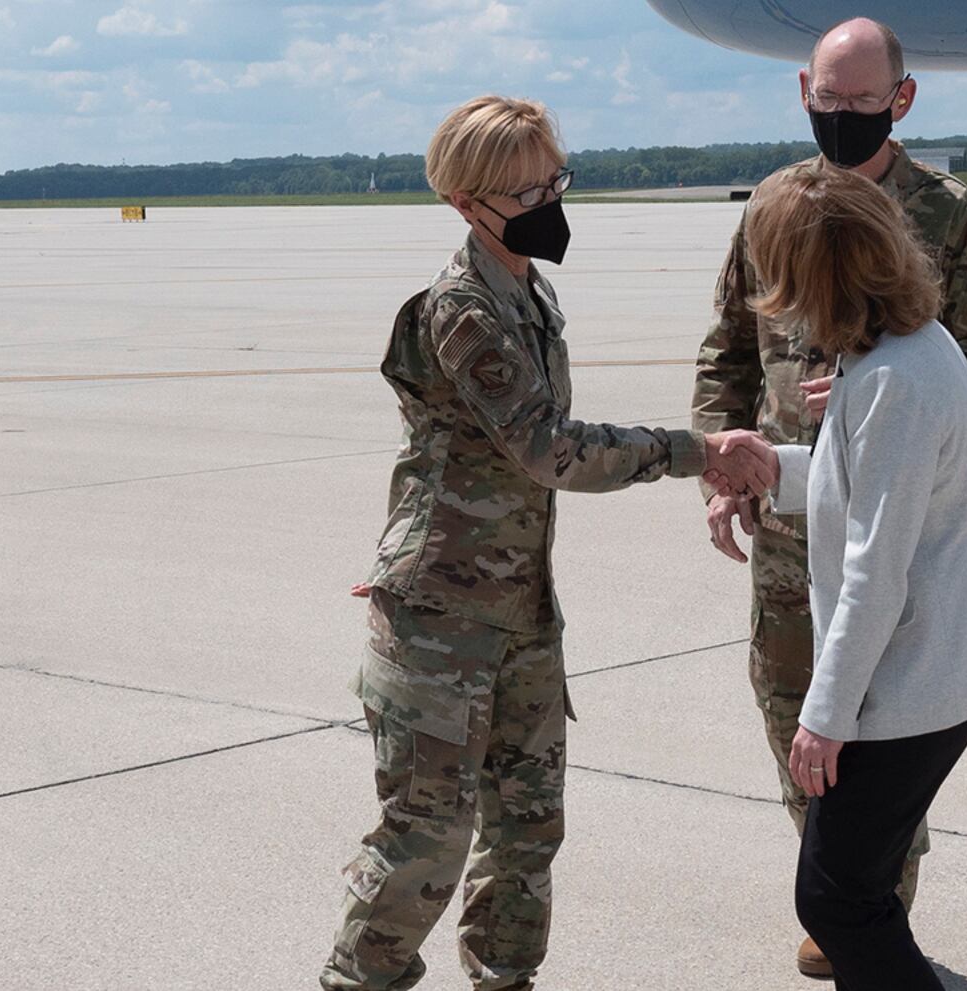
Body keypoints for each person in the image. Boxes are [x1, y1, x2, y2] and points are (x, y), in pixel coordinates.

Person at [322, 95, 775, 991]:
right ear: (465, 202)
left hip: (521, 606)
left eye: (551, 180)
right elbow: (549, 449)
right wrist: (698, 452)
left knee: (527, 826)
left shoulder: (528, 289)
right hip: (442, 613)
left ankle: (506, 977)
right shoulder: (461, 310)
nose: (545, 200)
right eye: (522, 189)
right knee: (427, 834)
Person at [689, 15, 967, 978]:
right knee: (792, 711)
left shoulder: (947, 216)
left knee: (864, 739)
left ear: (901, 101)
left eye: (861, 103)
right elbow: (729, 347)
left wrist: (886, 415)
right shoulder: (776, 206)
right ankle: (847, 887)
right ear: (804, 92)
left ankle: (865, 904)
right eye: (826, 101)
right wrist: (727, 464)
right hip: (791, 517)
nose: (839, 117)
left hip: (884, 519)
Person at [743, 164, 967, 991]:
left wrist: (822, 718)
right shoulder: (902, 349)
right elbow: (863, 483)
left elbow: (875, 567)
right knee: (854, 891)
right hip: (931, 670)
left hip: (912, 680)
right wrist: (768, 469)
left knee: (836, 898)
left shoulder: (895, 379)